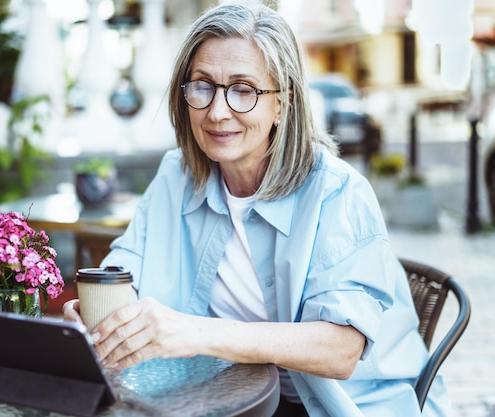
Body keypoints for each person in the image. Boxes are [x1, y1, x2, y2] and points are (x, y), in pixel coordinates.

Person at [64, 3, 451, 416]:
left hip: (342, 405)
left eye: (243, 90)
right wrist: (101, 309)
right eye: (203, 85)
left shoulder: (337, 192)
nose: (216, 111)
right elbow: (128, 268)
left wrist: (197, 333)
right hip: (225, 398)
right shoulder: (174, 178)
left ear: (281, 103)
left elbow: (341, 350)